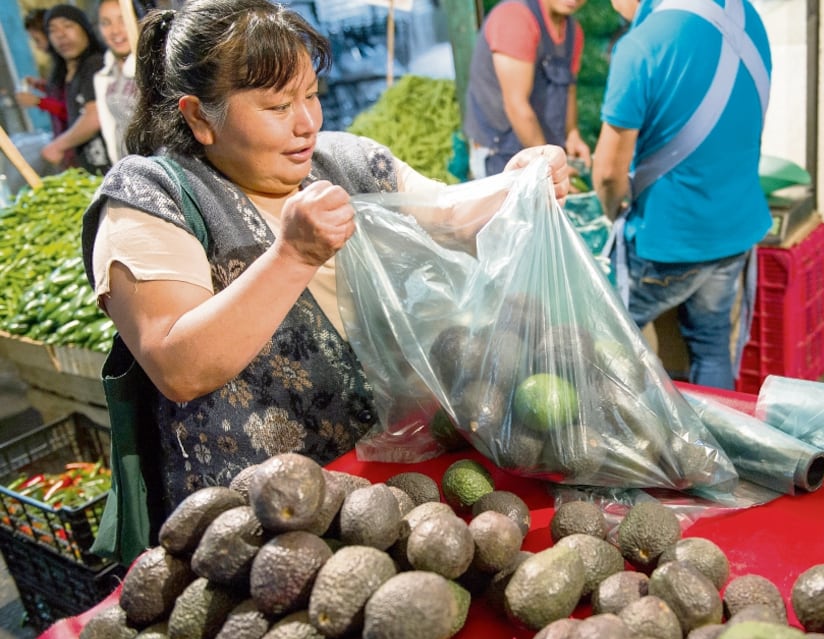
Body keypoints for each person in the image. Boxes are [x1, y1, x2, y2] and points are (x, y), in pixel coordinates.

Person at [81, 0, 569, 511]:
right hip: (263, 516)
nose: (306, 123)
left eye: (311, 95)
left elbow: (449, 215)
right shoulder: (151, 197)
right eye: (277, 106)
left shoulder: (345, 161)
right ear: (201, 117)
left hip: (391, 482)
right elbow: (179, 366)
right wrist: (293, 255)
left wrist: (521, 181)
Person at [591, 0, 772, 391]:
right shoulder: (746, 16)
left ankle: (640, 442)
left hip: (668, 241)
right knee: (710, 345)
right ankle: (718, 446)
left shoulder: (641, 46)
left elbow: (608, 174)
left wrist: (611, 211)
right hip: (735, 228)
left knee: (606, 344)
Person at [464, 0, 591, 178]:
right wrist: (548, 166)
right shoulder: (515, 19)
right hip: (502, 157)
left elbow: (569, 88)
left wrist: (572, 133)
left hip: (541, 154)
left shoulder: (573, 32)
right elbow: (517, 106)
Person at [38, 5, 111, 174]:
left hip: (112, 172)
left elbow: (94, 116)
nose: (61, 35)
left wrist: (57, 146)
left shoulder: (95, 64)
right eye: (53, 30)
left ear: (85, 29)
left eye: (68, 26)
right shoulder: (69, 73)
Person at [15, 9, 69, 149]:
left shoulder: (68, 64)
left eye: (37, 40)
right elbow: (62, 93)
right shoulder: (58, 64)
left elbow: (70, 110)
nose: (38, 47)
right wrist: (42, 86)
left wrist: (38, 102)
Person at [94, 0, 138, 164]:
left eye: (122, 19)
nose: (115, 30)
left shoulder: (155, 65)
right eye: (106, 23)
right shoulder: (105, 75)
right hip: (129, 172)